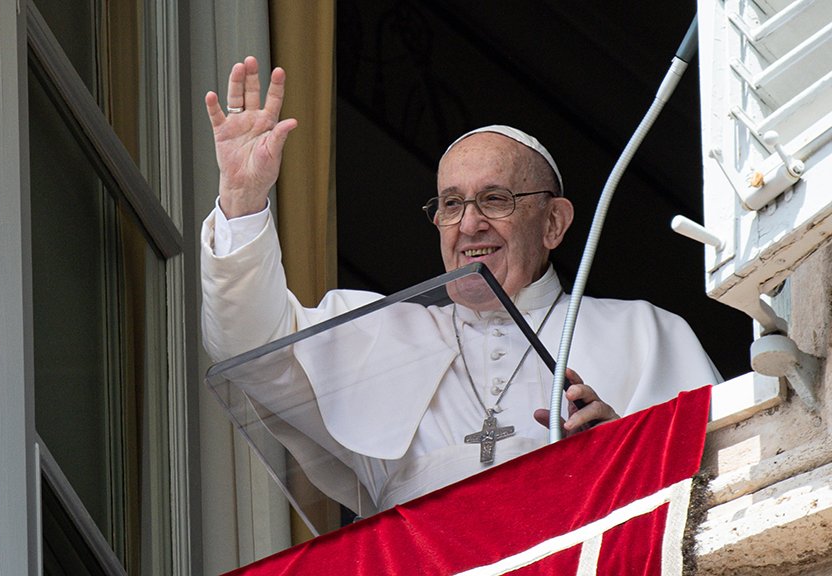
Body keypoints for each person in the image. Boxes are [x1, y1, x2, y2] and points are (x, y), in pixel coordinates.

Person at [201, 56, 720, 516]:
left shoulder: (645, 333)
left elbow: (719, 484)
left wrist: (626, 453)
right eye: (450, 204)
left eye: (495, 199)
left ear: (553, 224)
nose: (469, 225)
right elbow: (250, 349)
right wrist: (243, 200)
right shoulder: (380, 330)